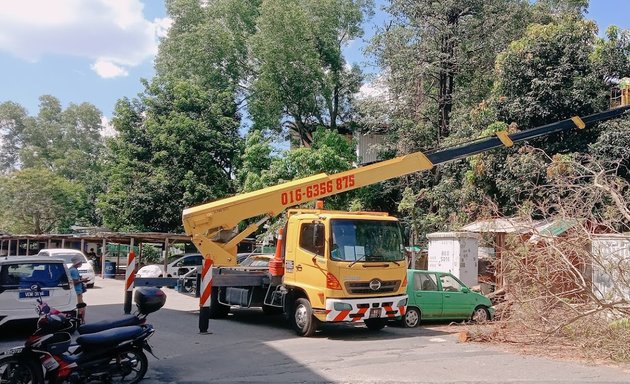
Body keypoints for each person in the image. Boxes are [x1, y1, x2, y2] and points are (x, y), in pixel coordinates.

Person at [70, 255, 88, 321]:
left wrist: (81, 279)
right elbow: (75, 282)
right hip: (77, 291)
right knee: (81, 307)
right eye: (80, 262)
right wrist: (83, 280)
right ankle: (81, 320)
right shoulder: (74, 270)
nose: (81, 264)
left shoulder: (71, 269)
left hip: (75, 291)